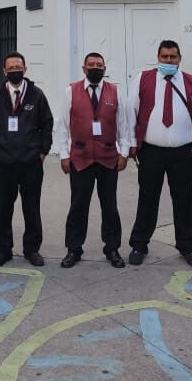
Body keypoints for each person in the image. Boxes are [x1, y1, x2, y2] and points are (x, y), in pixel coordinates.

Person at [126, 40, 192, 267]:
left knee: (184, 200)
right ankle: (139, 244)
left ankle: (187, 246)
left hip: (183, 153)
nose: (168, 61)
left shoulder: (190, 81)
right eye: (164, 57)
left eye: (173, 57)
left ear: (179, 58)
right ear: (158, 58)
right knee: (147, 198)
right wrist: (132, 143)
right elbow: (131, 112)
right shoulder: (143, 79)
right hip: (151, 152)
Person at [58, 52, 128, 269]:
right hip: (81, 158)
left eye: (99, 65)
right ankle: (74, 249)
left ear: (104, 69)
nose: (95, 68)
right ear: (84, 68)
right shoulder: (71, 91)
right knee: (78, 205)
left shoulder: (115, 91)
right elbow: (63, 126)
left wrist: (124, 152)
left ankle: (112, 248)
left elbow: (123, 124)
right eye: (91, 65)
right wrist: (64, 155)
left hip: (108, 158)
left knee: (110, 206)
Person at [0, 52, 53, 267]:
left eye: (18, 67)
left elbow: (47, 124)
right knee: (2, 208)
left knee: (31, 207)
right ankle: (3, 250)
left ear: (25, 69)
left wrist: (43, 151)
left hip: (31, 163)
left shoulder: (36, 95)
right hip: (3, 163)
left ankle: (32, 249)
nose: (15, 70)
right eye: (11, 68)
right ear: (4, 71)